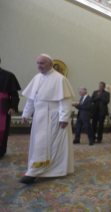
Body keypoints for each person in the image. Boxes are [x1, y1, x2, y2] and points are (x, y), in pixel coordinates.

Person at [20, 54, 75, 184]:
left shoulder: (60, 79)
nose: (39, 66)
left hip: (54, 118)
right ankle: (40, 169)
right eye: (38, 63)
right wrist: (26, 114)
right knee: (39, 144)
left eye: (42, 63)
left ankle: (34, 172)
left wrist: (64, 118)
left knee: (52, 145)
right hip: (39, 116)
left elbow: (65, 101)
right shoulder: (37, 78)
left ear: (50, 64)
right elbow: (31, 99)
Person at [0, 57, 21, 158]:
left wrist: (13, 107)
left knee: (1, 129)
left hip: (2, 106)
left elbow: (14, 94)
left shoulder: (9, 75)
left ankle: (0, 151)